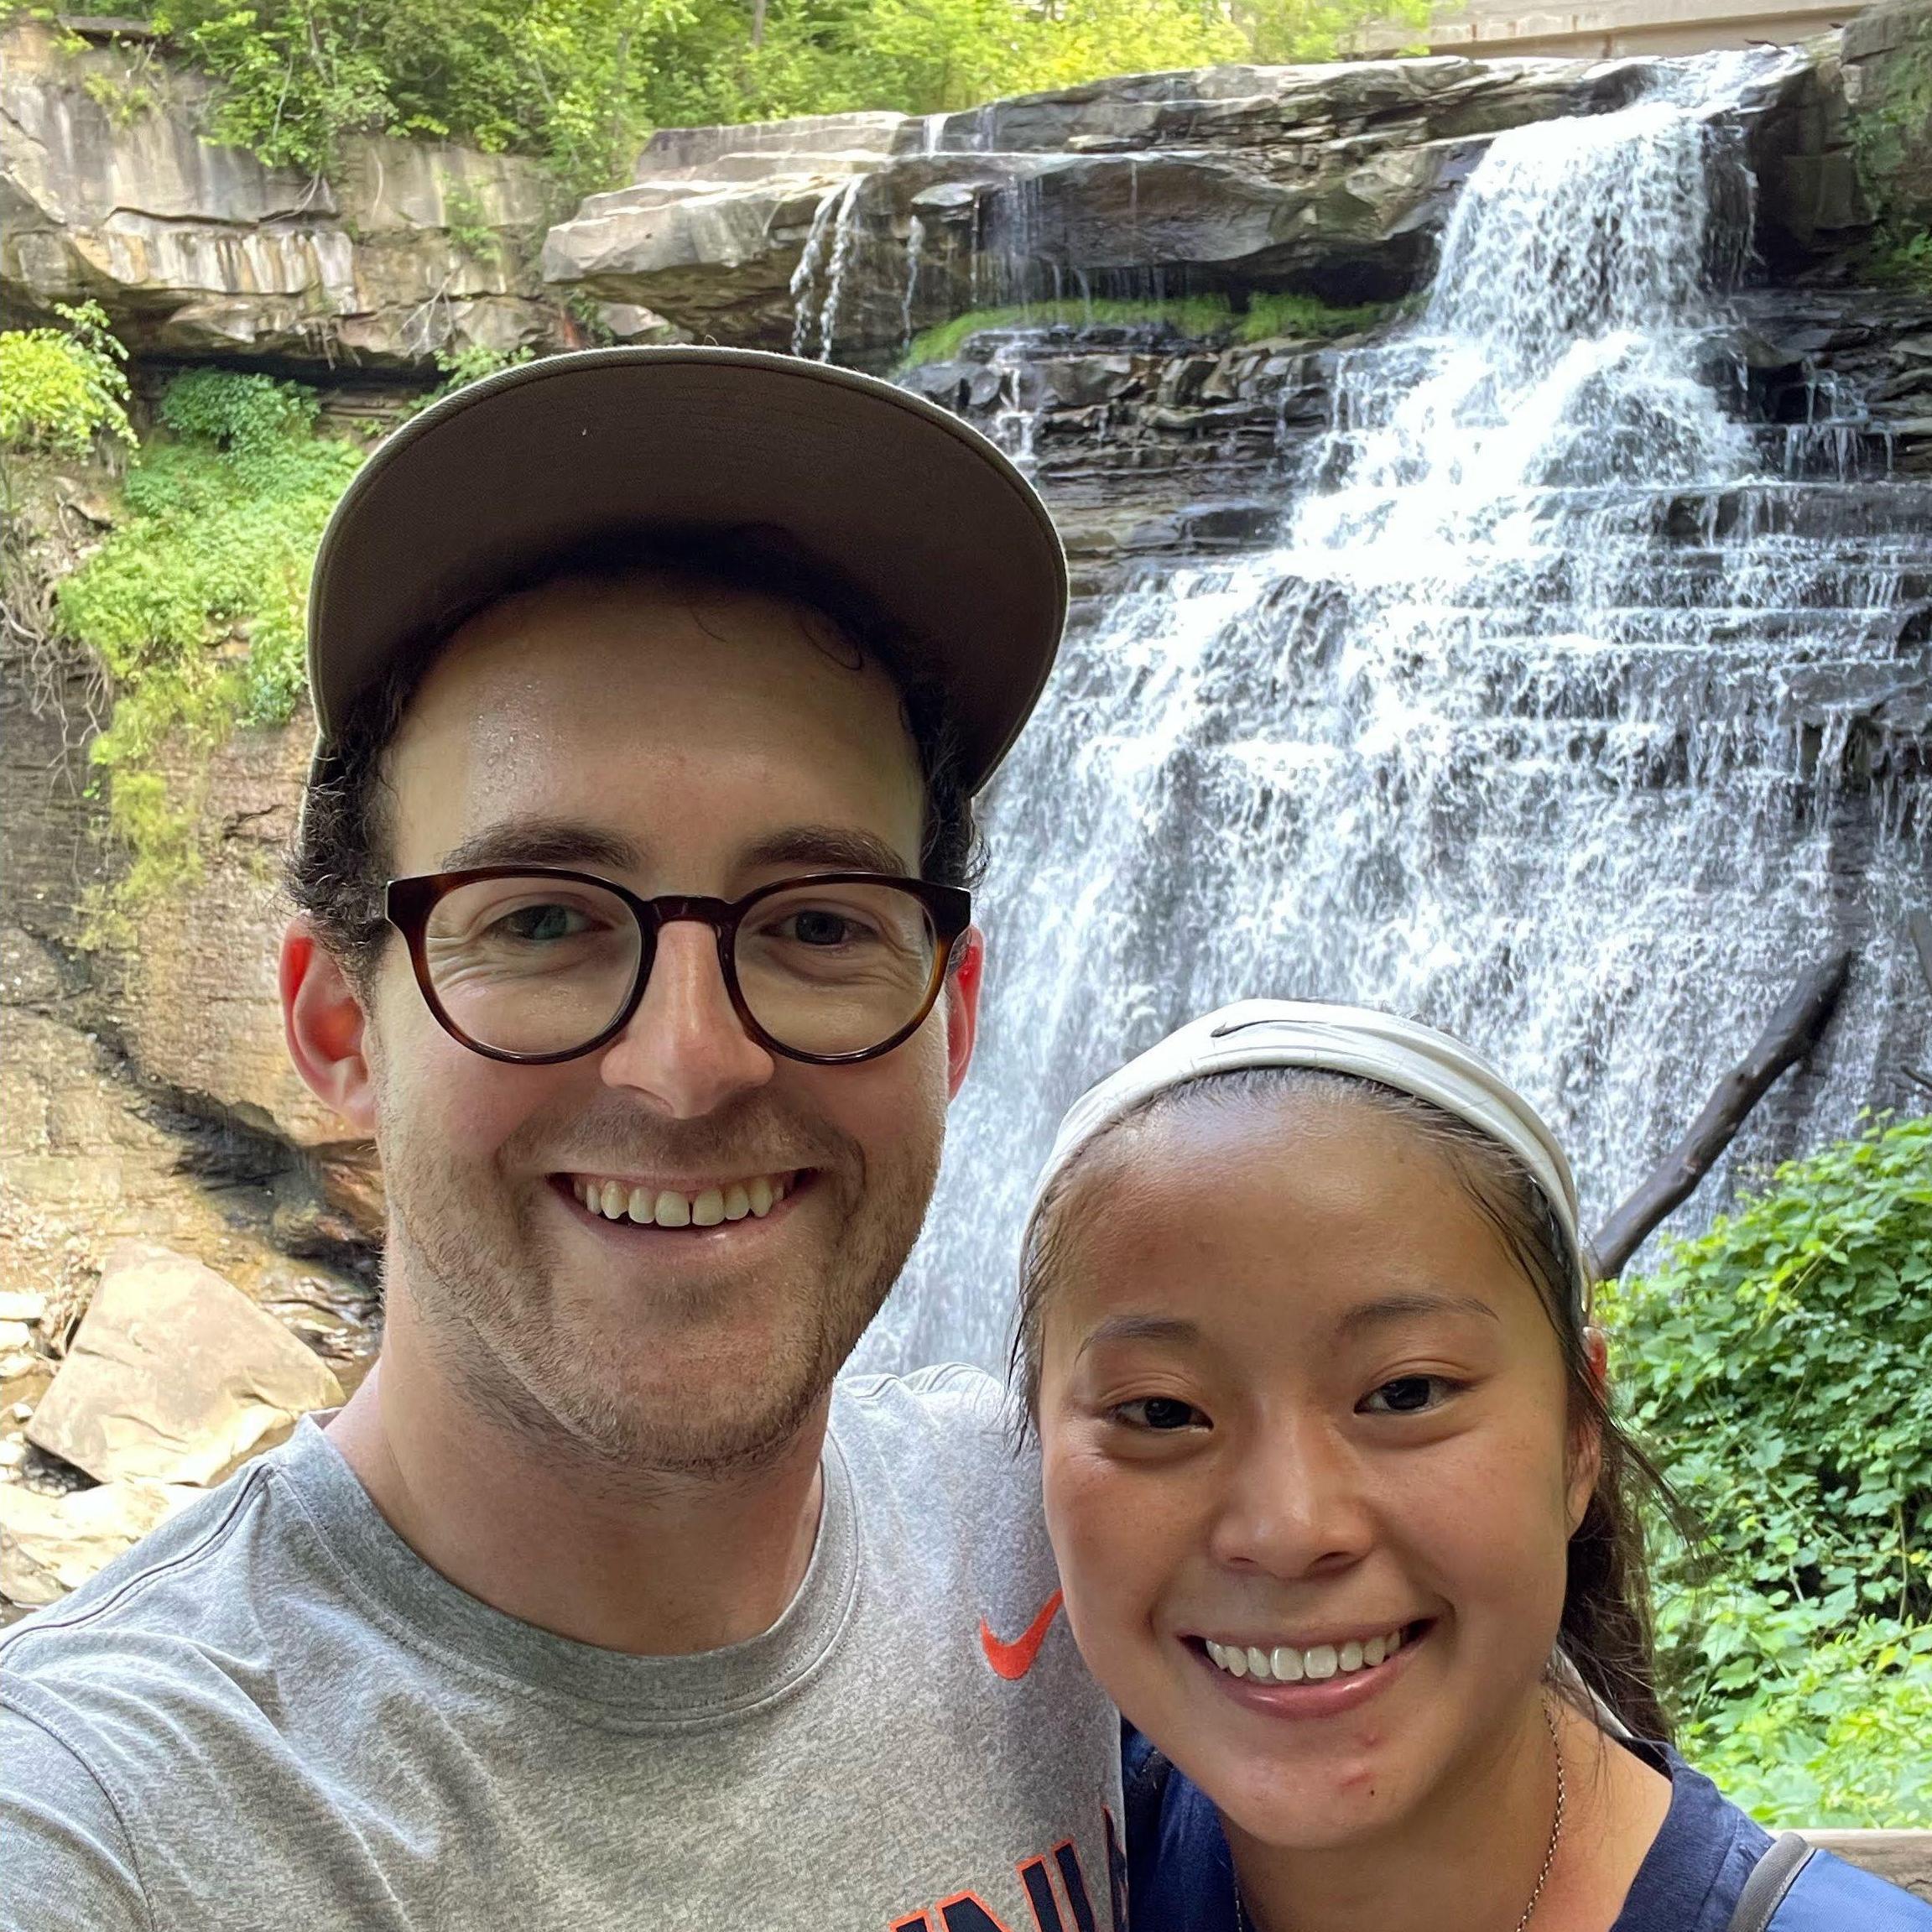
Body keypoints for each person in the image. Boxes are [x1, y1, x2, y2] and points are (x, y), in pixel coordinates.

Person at [0, 348, 1123, 1929]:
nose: (687, 1063)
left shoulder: (1082, 1539)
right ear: (338, 1027)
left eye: (814, 922)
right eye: (539, 919)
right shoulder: (113, 1815)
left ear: (949, 1013)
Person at [1013, 999, 1932, 1932]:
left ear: (1579, 1427)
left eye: (1406, 1392)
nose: (1288, 1528)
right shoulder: (1026, 1845)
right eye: (1161, 1410)